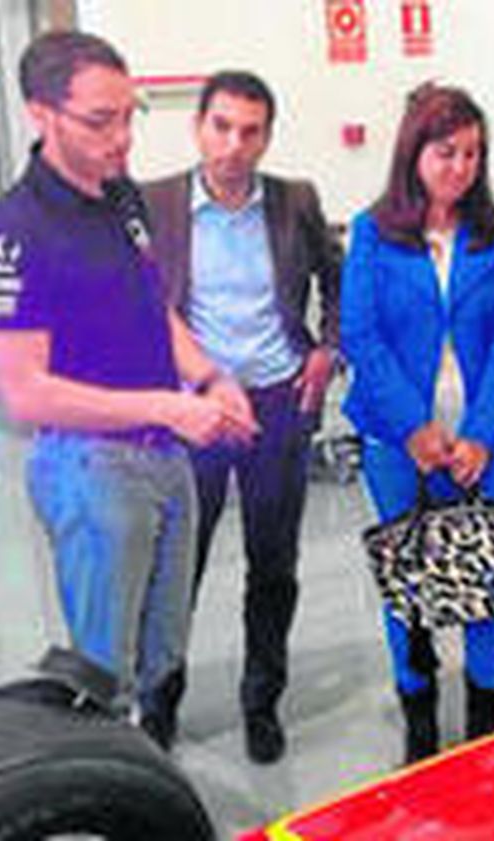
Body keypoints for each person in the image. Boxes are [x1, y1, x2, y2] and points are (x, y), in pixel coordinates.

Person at [0, 31, 257, 749]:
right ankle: (102, 786)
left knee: (162, 655)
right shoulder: (16, 231)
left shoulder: (121, 196)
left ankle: (136, 769)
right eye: (101, 121)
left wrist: (210, 376)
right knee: (104, 672)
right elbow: (25, 392)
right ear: (41, 113)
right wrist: (164, 404)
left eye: (130, 115)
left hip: (165, 457)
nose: (122, 137)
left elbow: (152, 312)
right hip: (91, 466)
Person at [142, 70, 342, 763]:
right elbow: (136, 300)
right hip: (196, 408)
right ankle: (159, 699)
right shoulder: (153, 202)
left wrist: (327, 348)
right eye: (221, 126)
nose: (233, 145)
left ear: (267, 137)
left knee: (274, 563)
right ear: (198, 125)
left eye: (249, 131)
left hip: (277, 405)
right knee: (176, 566)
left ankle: (262, 700)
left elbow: (337, 275)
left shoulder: (295, 201)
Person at [341, 83, 494, 764]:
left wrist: (479, 431)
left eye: (473, 153)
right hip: (399, 440)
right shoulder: (371, 232)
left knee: (483, 579)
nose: (460, 166)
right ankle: (419, 716)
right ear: (414, 151)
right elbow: (360, 334)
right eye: (446, 151)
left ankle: (484, 715)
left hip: (489, 437)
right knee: (408, 578)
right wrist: (416, 427)